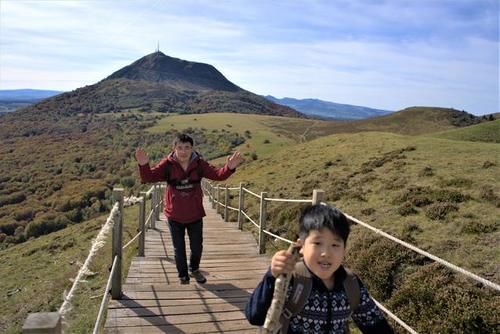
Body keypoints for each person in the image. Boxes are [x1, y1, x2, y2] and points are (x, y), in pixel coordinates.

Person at [245, 204, 394, 333]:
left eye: (335, 245)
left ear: (344, 249)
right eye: (317, 243)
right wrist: (272, 276)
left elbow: (376, 326)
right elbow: (254, 316)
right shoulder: (291, 279)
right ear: (301, 245)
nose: (326, 253)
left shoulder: (351, 285)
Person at [135, 133, 244, 284]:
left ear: (192, 148)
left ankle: (194, 269)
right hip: (174, 215)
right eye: (180, 147)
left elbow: (218, 175)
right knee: (178, 249)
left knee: (197, 247)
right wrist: (143, 165)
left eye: (187, 147)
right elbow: (149, 177)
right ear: (174, 148)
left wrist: (229, 168)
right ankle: (183, 275)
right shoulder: (167, 164)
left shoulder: (199, 164)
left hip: (195, 214)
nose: (183, 151)